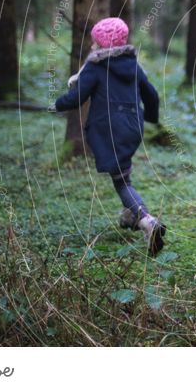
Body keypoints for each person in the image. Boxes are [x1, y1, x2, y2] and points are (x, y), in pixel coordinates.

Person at [53, 17, 165, 254]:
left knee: (120, 180)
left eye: (95, 41)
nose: (92, 46)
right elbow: (152, 96)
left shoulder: (96, 66)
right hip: (133, 126)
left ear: (101, 44)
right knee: (123, 172)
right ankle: (130, 215)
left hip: (109, 130)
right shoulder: (133, 65)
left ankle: (146, 220)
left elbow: (77, 97)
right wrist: (150, 117)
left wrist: (57, 104)